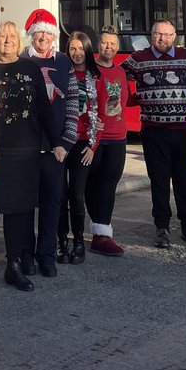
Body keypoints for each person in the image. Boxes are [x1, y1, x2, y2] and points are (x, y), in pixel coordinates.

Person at [0, 21, 51, 292]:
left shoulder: (31, 69)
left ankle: (13, 266)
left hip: (25, 152)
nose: (7, 40)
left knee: (19, 212)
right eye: (2, 36)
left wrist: (56, 143)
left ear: (20, 41)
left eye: (12, 36)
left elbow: (43, 107)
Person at [123, 20, 186, 249]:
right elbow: (117, 78)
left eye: (168, 35)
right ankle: (162, 228)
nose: (163, 39)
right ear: (151, 35)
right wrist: (137, 95)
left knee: (183, 181)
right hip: (153, 132)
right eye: (158, 34)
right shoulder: (137, 58)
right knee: (159, 182)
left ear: (175, 36)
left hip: (181, 131)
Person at [19, 8, 78, 277]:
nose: (43, 37)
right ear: (32, 34)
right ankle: (25, 255)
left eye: (47, 33)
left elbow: (74, 103)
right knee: (24, 204)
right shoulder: (19, 61)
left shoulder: (65, 62)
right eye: (39, 32)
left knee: (52, 203)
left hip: (56, 149)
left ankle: (46, 254)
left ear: (54, 36)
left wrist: (66, 142)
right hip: (26, 148)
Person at [57, 31, 102, 264]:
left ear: (87, 50)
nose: (76, 53)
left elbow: (102, 113)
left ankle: (78, 242)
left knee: (76, 194)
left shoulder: (96, 77)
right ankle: (61, 242)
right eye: (72, 49)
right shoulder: (62, 73)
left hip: (84, 143)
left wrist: (93, 146)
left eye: (80, 49)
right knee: (60, 194)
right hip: (63, 141)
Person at [85, 27, 130, 256]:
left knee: (109, 185)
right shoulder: (90, 70)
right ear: (97, 45)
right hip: (95, 139)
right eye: (104, 43)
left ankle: (102, 233)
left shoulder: (120, 72)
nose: (108, 47)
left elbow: (123, 101)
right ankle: (99, 232)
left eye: (113, 44)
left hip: (118, 138)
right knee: (91, 185)